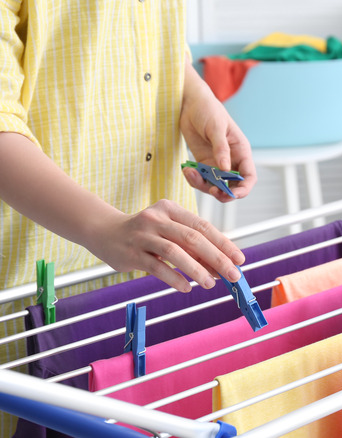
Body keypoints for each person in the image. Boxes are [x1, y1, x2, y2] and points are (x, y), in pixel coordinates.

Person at [0, 2, 256, 435]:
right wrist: (103, 227)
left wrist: (192, 94)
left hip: (153, 265)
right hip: (37, 280)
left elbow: (142, 30)